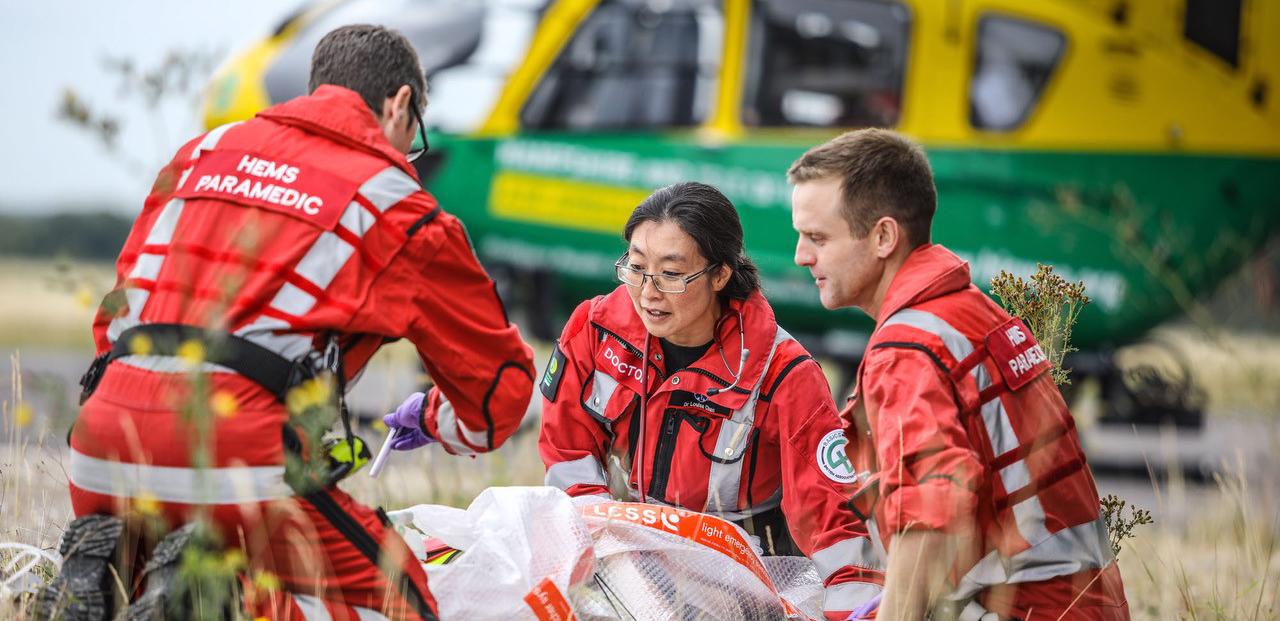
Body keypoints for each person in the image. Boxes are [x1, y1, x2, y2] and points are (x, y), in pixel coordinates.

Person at [45, 24, 534, 621]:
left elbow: (113, 318)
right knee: (398, 602)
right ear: (400, 105)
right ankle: (223, 603)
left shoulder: (200, 152)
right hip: (238, 465)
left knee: (191, 555)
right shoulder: (396, 202)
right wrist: (436, 418)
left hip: (101, 447)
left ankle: (135, 572)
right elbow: (496, 400)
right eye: (415, 137)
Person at [788, 128, 1129, 620]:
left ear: (883, 236)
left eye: (818, 237)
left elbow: (930, 518)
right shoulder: (972, 314)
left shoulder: (906, 350)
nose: (802, 255)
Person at [538, 181, 883, 620]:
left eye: (672, 273)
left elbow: (834, 521)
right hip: (634, 548)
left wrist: (855, 612)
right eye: (637, 267)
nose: (648, 292)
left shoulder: (783, 374)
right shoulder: (596, 329)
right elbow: (567, 451)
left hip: (753, 576)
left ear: (720, 275)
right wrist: (602, 542)